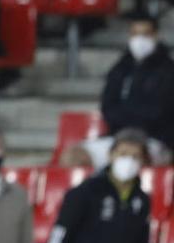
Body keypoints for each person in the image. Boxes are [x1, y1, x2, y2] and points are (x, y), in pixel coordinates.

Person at [67, 14, 174, 168]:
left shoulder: (168, 71)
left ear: (155, 35)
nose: (140, 40)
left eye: (145, 34)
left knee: (131, 155)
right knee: (73, 156)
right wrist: (132, 117)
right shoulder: (120, 69)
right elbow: (107, 107)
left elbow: (159, 111)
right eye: (135, 34)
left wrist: (126, 113)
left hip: (155, 139)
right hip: (117, 137)